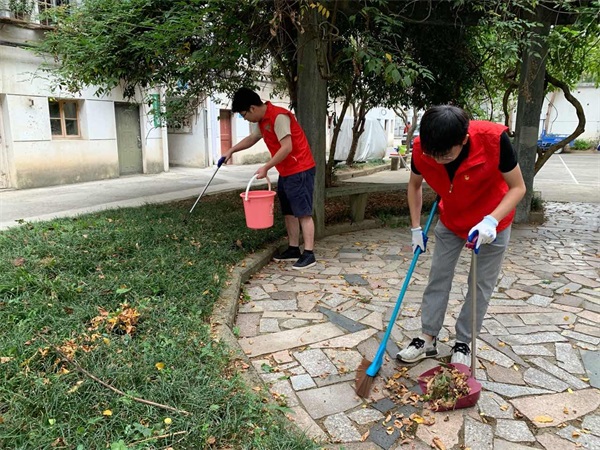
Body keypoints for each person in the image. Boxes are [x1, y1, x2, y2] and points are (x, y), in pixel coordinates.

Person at [396, 105, 526, 366]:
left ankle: (463, 342)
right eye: (432, 155)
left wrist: (491, 220)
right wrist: (415, 228)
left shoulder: (494, 140)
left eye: (444, 155)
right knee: (438, 276)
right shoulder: (425, 148)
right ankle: (427, 338)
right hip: (452, 219)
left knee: (479, 285)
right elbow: (414, 185)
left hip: (492, 224)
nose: (436, 160)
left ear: (463, 140)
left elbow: (518, 187)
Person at [224, 87, 317, 270]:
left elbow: (287, 147)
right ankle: (293, 249)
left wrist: (266, 167)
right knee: (289, 211)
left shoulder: (279, 117)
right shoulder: (262, 121)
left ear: (252, 108)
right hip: (286, 171)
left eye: (243, 115)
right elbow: (252, 139)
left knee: (303, 212)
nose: (245, 119)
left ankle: (309, 253)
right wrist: (232, 150)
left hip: (300, 169)